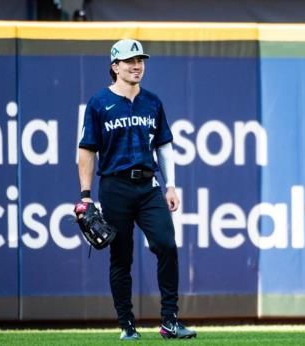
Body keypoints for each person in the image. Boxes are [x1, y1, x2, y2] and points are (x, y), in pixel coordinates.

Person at [76, 38, 197, 340]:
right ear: (115, 66)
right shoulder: (99, 102)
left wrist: (170, 185)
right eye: (130, 61)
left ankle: (169, 320)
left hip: (147, 186)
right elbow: (87, 151)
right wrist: (86, 197)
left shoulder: (152, 102)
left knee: (166, 245)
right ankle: (127, 325)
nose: (136, 65)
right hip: (115, 186)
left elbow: (164, 146)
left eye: (140, 60)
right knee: (121, 256)